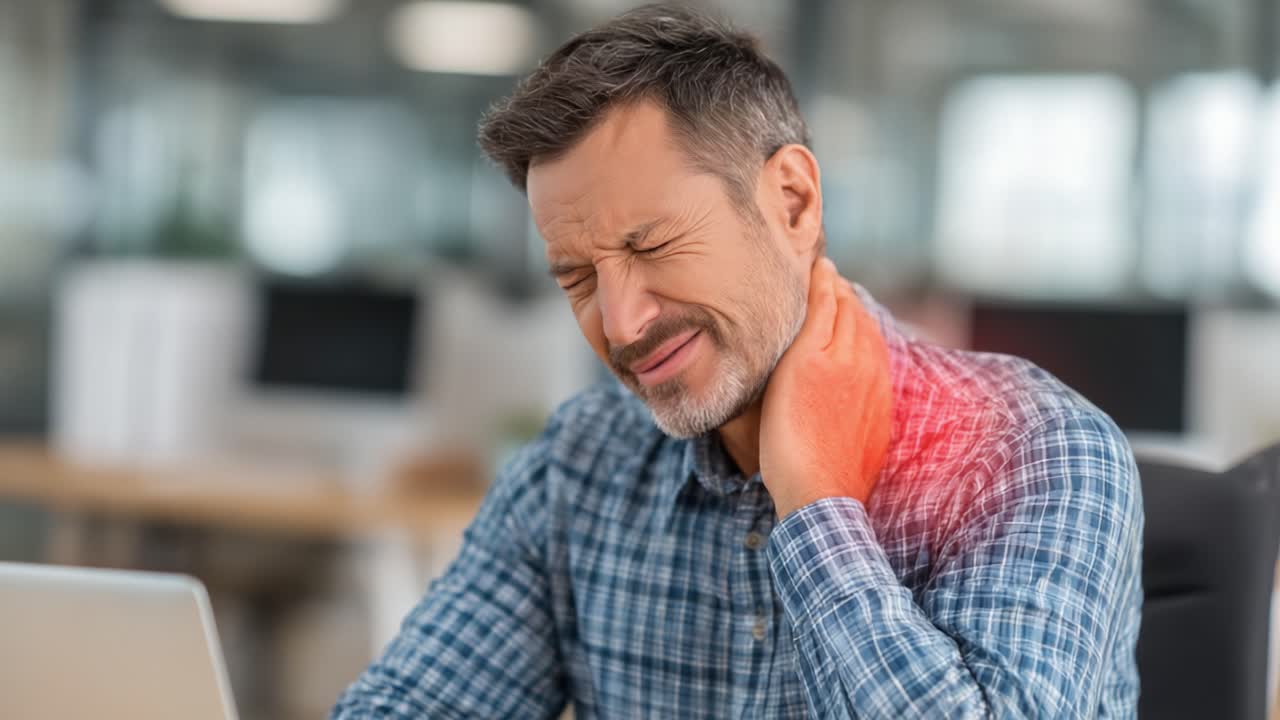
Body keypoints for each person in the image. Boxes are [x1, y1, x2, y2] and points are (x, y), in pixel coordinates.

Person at [333, 4, 1143, 718]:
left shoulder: (1034, 451)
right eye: (577, 277)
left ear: (791, 202)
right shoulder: (581, 462)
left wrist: (818, 510)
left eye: (651, 244)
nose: (621, 322)